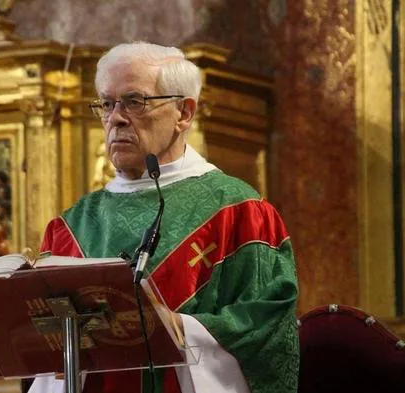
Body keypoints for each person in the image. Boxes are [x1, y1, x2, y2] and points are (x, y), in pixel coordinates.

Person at [27, 42, 299, 393]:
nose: (116, 117)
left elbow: (268, 328)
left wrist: (179, 330)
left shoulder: (241, 212)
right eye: (106, 104)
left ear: (184, 113)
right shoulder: (71, 225)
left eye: (134, 101)